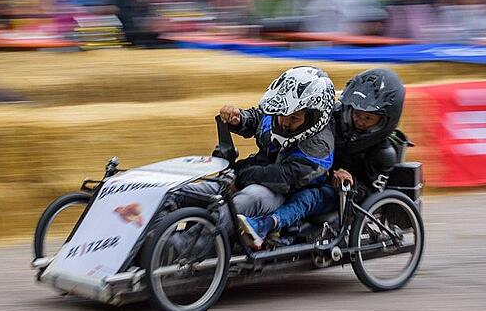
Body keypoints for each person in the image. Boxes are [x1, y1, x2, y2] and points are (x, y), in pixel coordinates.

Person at [169, 66, 336, 254]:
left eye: (294, 117)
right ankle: (148, 241)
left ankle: (181, 248)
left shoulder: (319, 145)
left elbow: (284, 177)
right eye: (281, 114)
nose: (284, 122)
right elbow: (258, 117)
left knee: (239, 203)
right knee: (176, 193)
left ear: (314, 117)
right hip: (249, 176)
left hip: (281, 194)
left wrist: (240, 177)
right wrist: (238, 118)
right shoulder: (278, 116)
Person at [238, 68, 406, 250]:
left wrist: (349, 181)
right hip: (315, 175)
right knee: (288, 178)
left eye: (368, 117)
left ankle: (265, 225)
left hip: (341, 194)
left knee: (309, 196)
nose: (360, 121)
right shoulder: (332, 116)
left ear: (386, 120)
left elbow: (371, 196)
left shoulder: (384, 154)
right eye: (357, 113)